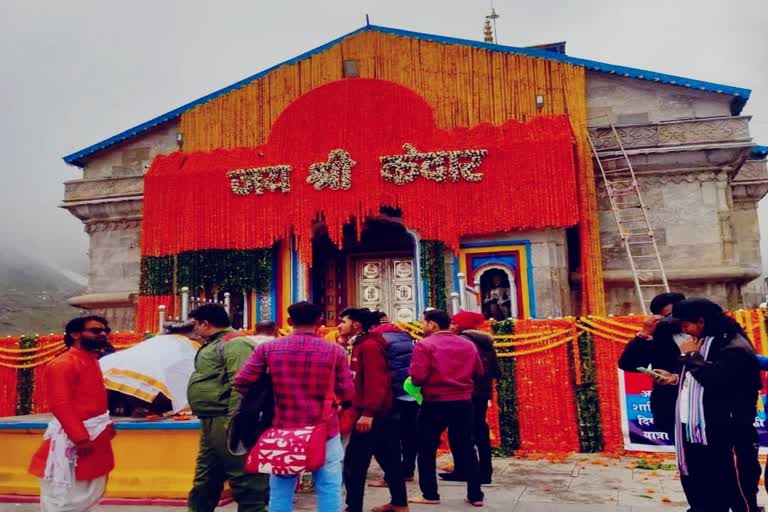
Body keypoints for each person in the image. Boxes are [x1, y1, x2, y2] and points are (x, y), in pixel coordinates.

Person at [234, 301, 355, 512]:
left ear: (289, 322)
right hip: (324, 428)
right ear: (320, 322)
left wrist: (265, 398)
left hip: (283, 427)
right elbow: (347, 392)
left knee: (281, 487)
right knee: (328, 486)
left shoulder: (268, 348)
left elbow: (242, 381)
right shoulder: (335, 351)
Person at [659, 298, 761, 512]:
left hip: (729, 436)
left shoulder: (734, 347)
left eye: (685, 325)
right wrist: (675, 378)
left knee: (739, 496)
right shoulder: (706, 342)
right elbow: (697, 379)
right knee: (707, 495)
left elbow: (717, 381)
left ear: (702, 321)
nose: (683, 330)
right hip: (701, 433)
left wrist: (691, 356)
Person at [28, 315, 116, 512]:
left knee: (91, 490)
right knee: (65, 495)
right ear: (75, 334)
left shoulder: (91, 360)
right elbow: (61, 404)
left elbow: (91, 399)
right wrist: (80, 438)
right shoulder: (63, 363)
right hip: (75, 439)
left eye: (105, 331)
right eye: (96, 330)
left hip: (96, 436)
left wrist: (106, 424)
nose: (103, 334)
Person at [186, 304, 268, 512]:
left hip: (226, 418)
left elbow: (241, 384)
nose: (193, 329)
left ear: (206, 324)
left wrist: (235, 420)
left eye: (195, 324)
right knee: (206, 477)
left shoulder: (235, 344)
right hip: (211, 419)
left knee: (243, 476)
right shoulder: (214, 343)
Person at [409, 309, 485, 507]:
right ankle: (475, 494)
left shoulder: (425, 345)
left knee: (426, 448)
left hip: (435, 402)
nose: (422, 326)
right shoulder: (467, 344)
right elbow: (479, 372)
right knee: (467, 446)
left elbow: (417, 377)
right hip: (463, 402)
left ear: (432, 324)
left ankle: (430, 494)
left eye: (424, 323)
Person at [339, 308, 408, 512]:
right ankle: (399, 503)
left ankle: (354, 507)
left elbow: (376, 382)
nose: (340, 325)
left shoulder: (368, 346)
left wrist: (368, 413)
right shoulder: (363, 343)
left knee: (354, 465)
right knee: (390, 459)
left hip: (372, 414)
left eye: (344, 321)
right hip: (381, 412)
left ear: (357, 325)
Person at [439, 311, 500, 485]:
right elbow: (496, 371)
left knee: (459, 432)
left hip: (465, 392)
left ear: (461, 325)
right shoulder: (487, 343)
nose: (451, 326)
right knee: (480, 431)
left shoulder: (462, 341)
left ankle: (464, 470)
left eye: (453, 322)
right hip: (482, 392)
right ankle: (485, 472)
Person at [617, 292, 686, 437]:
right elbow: (628, 364)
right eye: (669, 316)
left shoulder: (702, 331)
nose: (676, 320)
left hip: (705, 407)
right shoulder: (659, 336)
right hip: (671, 405)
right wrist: (644, 334)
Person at [371, 312, 418, 483]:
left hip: (392, 393)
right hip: (410, 391)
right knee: (409, 435)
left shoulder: (378, 339)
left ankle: (392, 476)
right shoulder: (407, 336)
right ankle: (408, 471)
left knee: (389, 437)